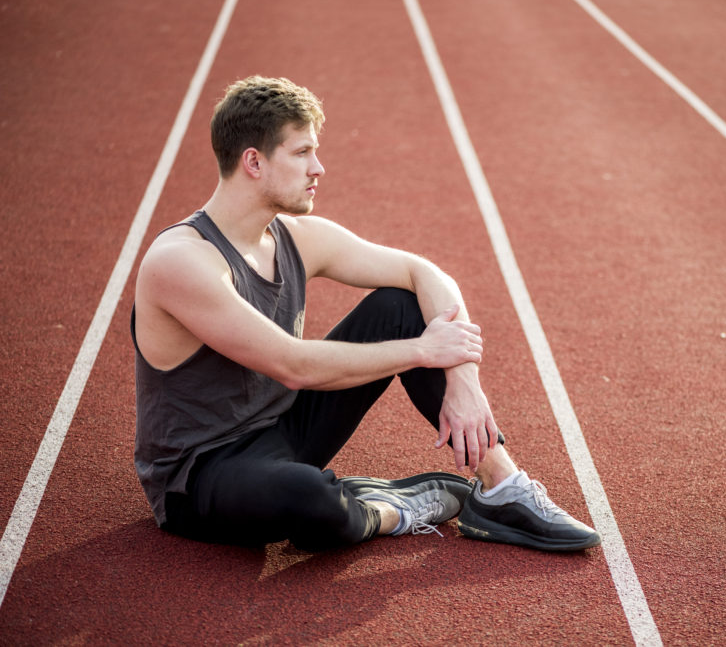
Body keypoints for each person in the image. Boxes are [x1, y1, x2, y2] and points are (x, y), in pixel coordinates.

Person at [132, 75, 601, 552]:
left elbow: (424, 272)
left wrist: (463, 379)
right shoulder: (182, 261)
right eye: (301, 153)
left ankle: (502, 488)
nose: (319, 167)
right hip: (201, 474)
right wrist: (421, 351)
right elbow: (292, 365)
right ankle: (392, 509)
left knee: (401, 304)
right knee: (308, 497)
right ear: (253, 161)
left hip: (283, 430)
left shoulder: (296, 236)